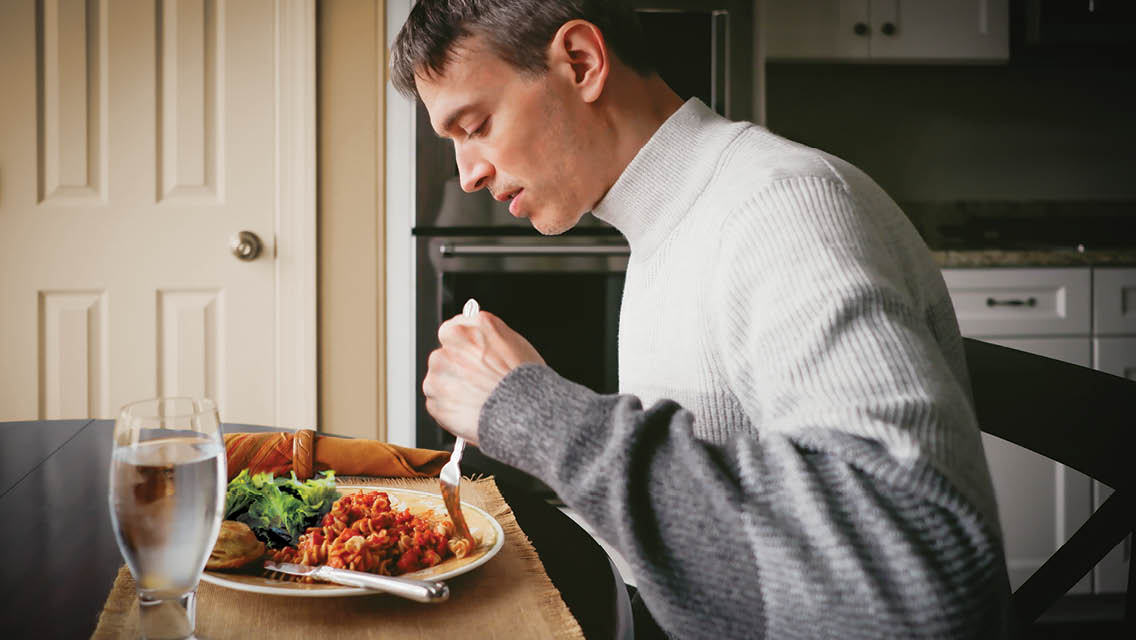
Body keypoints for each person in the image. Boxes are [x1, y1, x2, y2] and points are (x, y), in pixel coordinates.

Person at [393, 1, 1011, 637]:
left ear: (581, 63)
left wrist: (531, 412)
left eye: (476, 126)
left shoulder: (782, 209)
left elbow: (924, 588)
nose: (467, 176)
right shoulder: (676, 219)